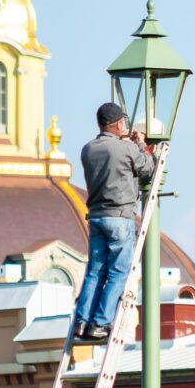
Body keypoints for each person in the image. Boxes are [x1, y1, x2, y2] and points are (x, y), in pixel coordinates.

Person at [73, 102, 155, 342]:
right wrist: (140, 143)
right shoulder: (125, 149)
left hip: (96, 216)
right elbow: (148, 168)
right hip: (119, 217)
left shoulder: (87, 149)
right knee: (118, 272)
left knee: (95, 271)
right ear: (119, 123)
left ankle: (81, 321)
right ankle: (100, 322)